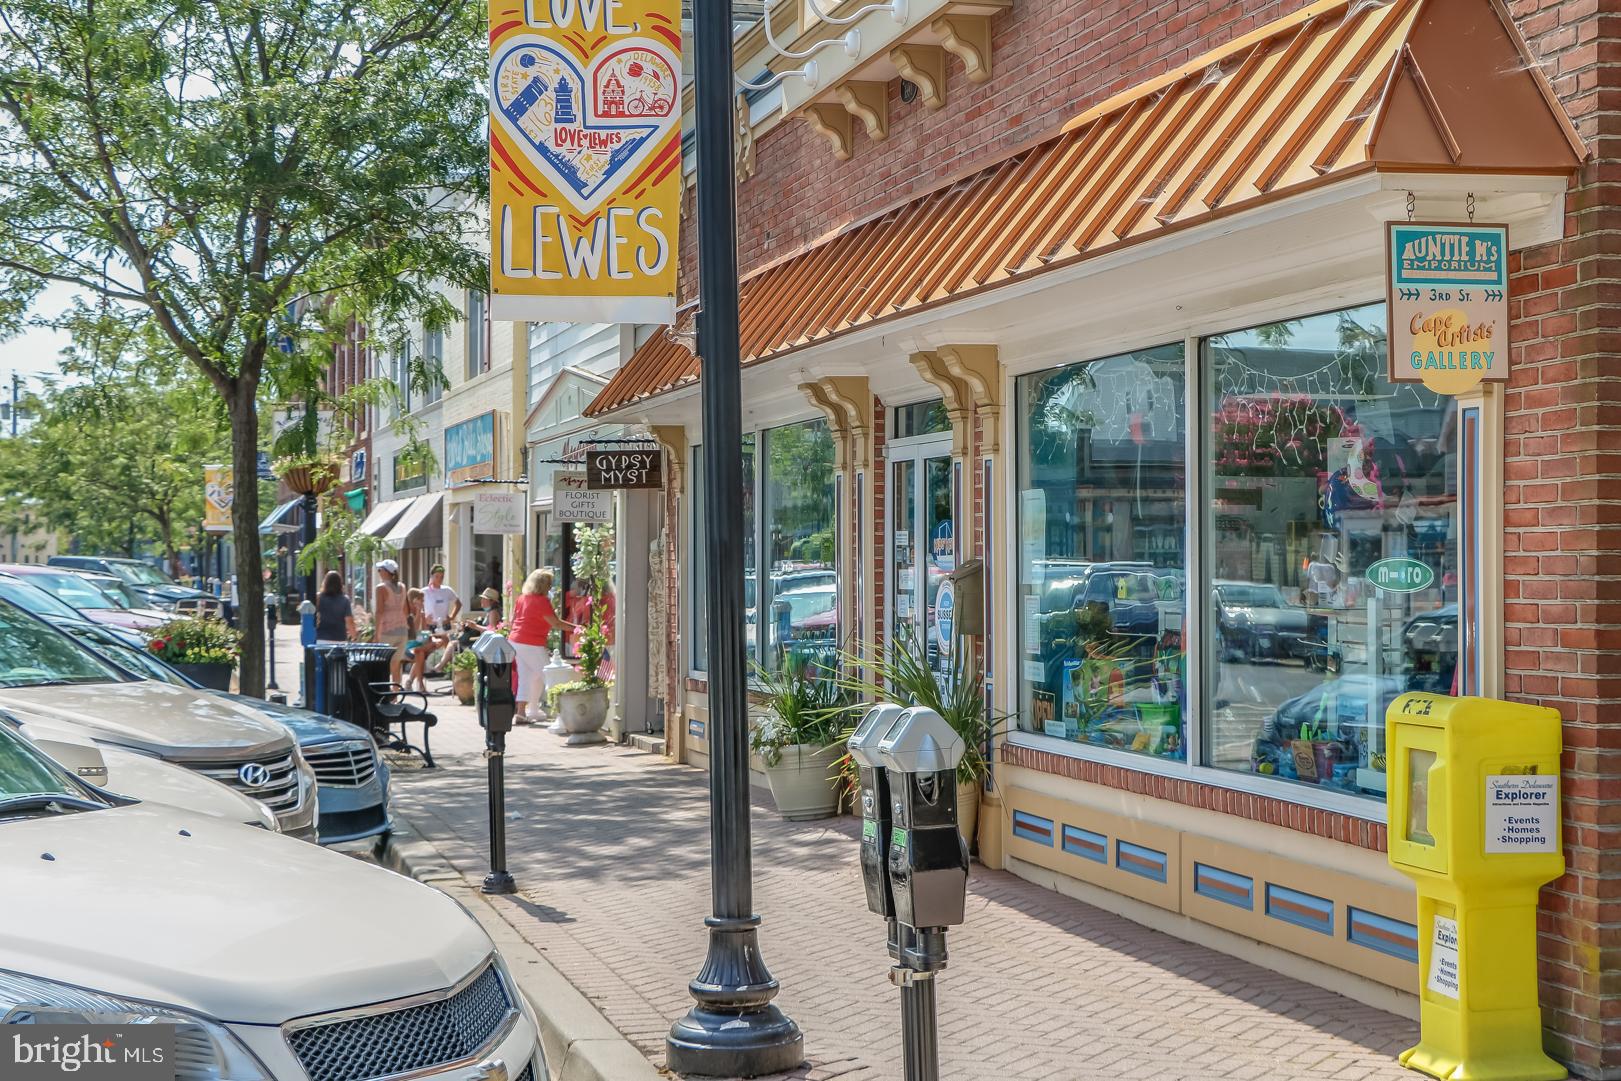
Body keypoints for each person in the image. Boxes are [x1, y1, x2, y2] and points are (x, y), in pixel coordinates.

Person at [510, 570, 568, 724]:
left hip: (516, 641)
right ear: (542, 585)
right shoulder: (541, 601)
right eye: (549, 584)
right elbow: (556, 623)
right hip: (531, 643)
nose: (550, 587)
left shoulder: (522, 598)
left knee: (528, 677)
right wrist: (578, 628)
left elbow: (513, 620)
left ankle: (525, 712)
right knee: (550, 675)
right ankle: (563, 716)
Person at [402, 588, 449, 694]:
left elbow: (425, 631)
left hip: (418, 643)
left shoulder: (422, 613)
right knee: (420, 653)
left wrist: (433, 639)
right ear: (414, 600)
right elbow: (413, 630)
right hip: (407, 645)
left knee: (438, 642)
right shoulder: (406, 613)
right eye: (421, 600)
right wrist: (419, 613)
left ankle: (411, 682)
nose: (423, 602)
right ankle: (420, 684)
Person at [372, 559, 409, 685]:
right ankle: (395, 691)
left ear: (386, 572)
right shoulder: (402, 587)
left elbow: (379, 611)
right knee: (396, 664)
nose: (378, 572)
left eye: (380, 570)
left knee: (383, 663)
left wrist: (377, 634)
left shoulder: (381, 588)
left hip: (387, 629)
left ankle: (384, 691)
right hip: (402, 630)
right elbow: (405, 610)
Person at [314, 571, 356, 642]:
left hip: (321, 638)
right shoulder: (345, 600)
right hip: (339, 639)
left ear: (325, 583)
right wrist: (354, 636)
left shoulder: (318, 598)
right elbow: (349, 621)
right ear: (340, 584)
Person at [422, 564, 462, 629]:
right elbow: (415, 606)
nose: (439, 579)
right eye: (437, 576)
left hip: (445, 625)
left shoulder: (447, 590)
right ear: (432, 576)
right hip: (430, 626)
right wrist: (423, 618)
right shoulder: (424, 591)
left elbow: (458, 604)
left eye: (442, 577)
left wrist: (452, 616)